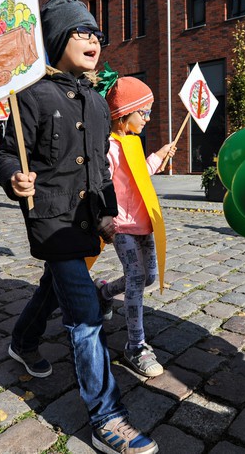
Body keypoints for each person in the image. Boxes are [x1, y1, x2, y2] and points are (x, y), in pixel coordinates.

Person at [0, 0, 158, 454]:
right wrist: (13, 176)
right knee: (85, 312)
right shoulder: (30, 95)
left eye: (96, 34)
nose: (93, 40)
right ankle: (107, 417)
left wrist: (107, 214)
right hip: (51, 219)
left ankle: (23, 339)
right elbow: (8, 153)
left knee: (56, 284)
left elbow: (101, 171)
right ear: (57, 39)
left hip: (86, 222)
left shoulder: (97, 101)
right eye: (81, 32)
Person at [96, 74, 175, 378]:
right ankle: (136, 345)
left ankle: (104, 293)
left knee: (149, 278)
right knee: (136, 277)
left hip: (145, 223)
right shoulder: (109, 147)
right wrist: (108, 220)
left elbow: (139, 174)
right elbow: (104, 184)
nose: (148, 118)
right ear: (123, 114)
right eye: (144, 112)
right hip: (122, 226)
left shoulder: (133, 142)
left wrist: (158, 156)